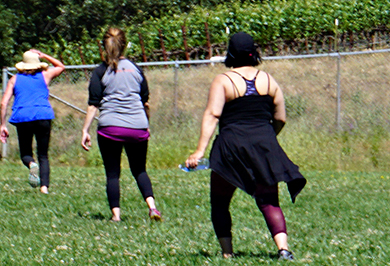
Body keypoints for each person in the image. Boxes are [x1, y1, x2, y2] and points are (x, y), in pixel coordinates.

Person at [182, 31, 305, 260]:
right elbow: (281, 118)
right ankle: (283, 249)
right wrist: (268, 137)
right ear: (254, 53)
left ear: (230, 53)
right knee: (269, 200)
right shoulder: (269, 80)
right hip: (263, 145)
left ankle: (227, 253)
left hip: (230, 147)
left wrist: (199, 151)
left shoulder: (223, 80)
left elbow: (212, 114)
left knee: (219, 201)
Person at [79, 28, 162, 222]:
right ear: (124, 44)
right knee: (139, 169)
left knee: (113, 173)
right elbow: (145, 101)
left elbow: (94, 104)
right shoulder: (136, 69)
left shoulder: (101, 71)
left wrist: (85, 130)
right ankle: (152, 207)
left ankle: (116, 215)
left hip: (110, 128)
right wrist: (145, 125)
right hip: (137, 127)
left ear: (104, 46)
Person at [1, 49, 67, 194]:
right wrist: (45, 55)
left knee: (25, 152)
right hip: (43, 115)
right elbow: (61, 66)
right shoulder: (45, 75)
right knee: (43, 154)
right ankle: (44, 188)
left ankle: (31, 164)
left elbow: (4, 103)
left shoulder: (14, 79)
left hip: (22, 117)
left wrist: (2, 125)